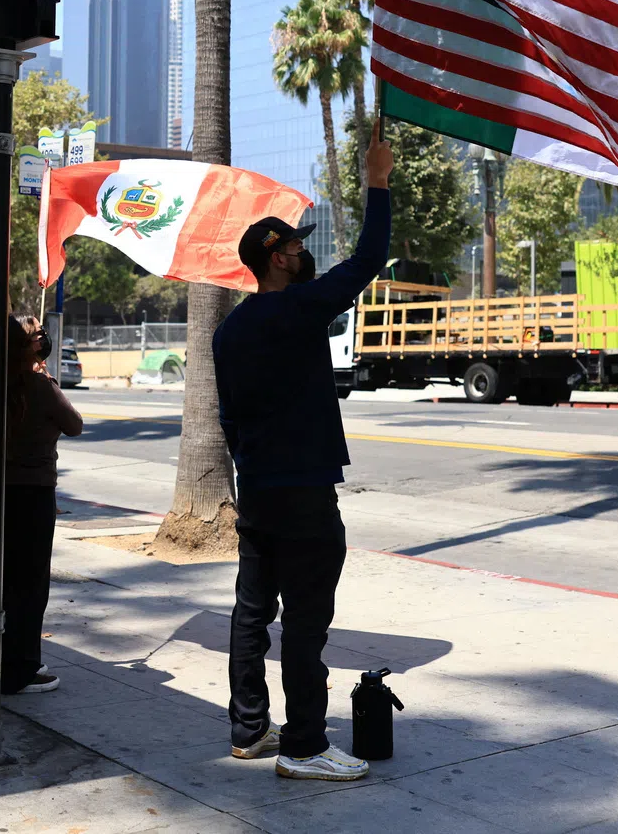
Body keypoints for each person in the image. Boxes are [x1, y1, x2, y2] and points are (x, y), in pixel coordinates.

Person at [213, 119, 393, 782]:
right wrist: (377, 183)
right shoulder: (299, 310)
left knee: (252, 610)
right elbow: (370, 258)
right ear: (278, 256)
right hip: (305, 493)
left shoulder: (230, 333)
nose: (303, 253)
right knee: (307, 625)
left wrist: (252, 469)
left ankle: (248, 730)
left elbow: (229, 419)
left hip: (257, 491)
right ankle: (306, 746)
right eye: (295, 245)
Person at [2, 315, 83, 694]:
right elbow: (75, 424)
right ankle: (23, 667)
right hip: (33, 491)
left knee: (5, 579)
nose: (42, 339)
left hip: (0, 490)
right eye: (34, 335)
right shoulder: (39, 386)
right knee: (31, 583)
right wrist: (46, 380)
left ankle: (2, 656)